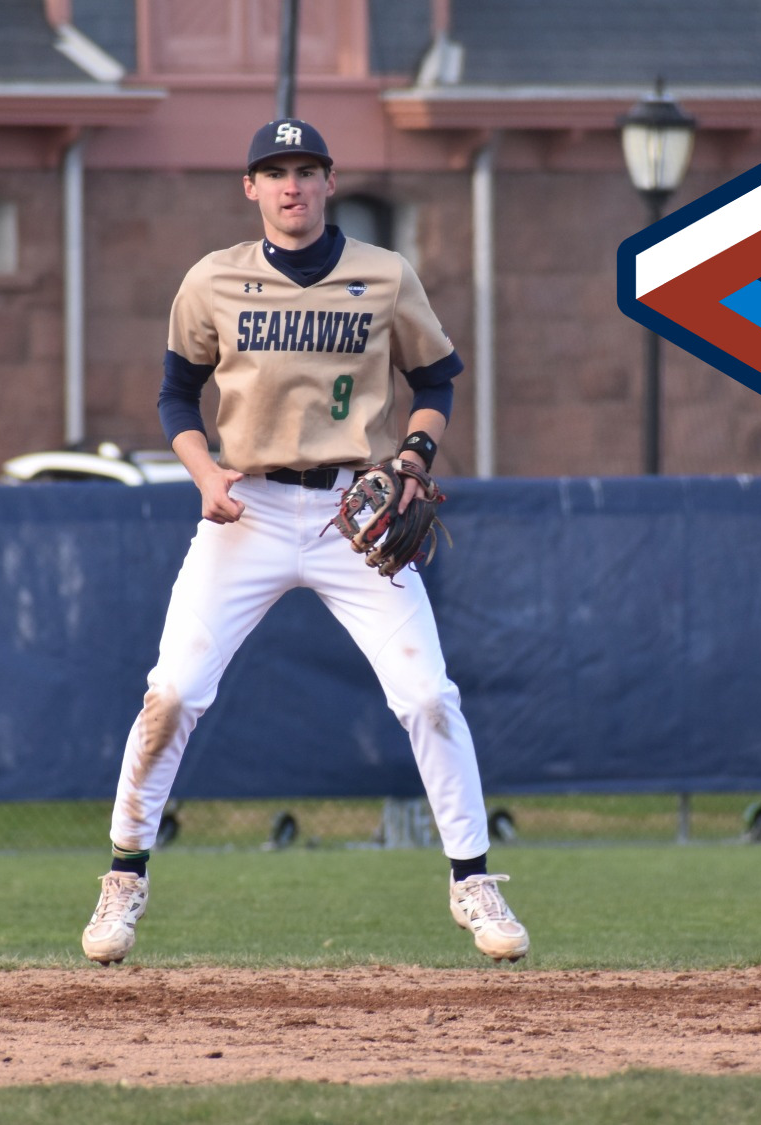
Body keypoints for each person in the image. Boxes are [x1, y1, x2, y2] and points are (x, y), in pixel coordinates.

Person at [80, 118, 529, 965]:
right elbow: (177, 395)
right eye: (273, 171)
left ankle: (472, 879)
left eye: (306, 170)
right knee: (171, 693)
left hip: (351, 514)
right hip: (244, 509)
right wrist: (205, 474)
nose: (291, 185)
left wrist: (414, 456)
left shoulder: (383, 275)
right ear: (250, 187)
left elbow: (435, 379)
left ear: (330, 182)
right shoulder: (213, 280)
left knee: (429, 696)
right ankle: (124, 878)